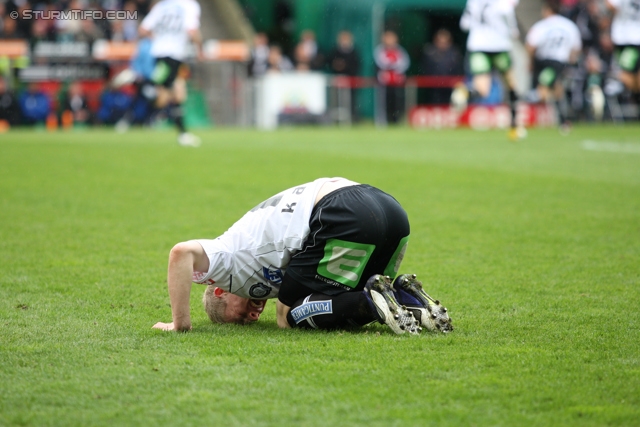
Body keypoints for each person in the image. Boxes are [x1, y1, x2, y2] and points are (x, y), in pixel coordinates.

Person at [152, 177, 453, 335]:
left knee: (287, 316)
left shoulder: (226, 261)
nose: (252, 316)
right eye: (249, 322)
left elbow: (181, 253)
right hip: (391, 209)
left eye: (240, 316)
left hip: (344, 211)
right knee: (337, 296)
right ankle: (409, 299)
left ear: (219, 289)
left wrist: (179, 324)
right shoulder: (256, 271)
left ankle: (370, 303)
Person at [452, 0, 525, 140]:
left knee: (482, 90)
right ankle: (515, 126)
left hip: (477, 46)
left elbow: (465, 24)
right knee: (511, 85)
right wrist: (512, 31)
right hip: (499, 46)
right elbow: (510, 20)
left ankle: (464, 91)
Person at [138, 0, 203, 147]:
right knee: (167, 93)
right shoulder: (190, 5)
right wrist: (200, 48)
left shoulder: (161, 6)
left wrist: (158, 39)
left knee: (175, 93)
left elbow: (142, 29)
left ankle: (178, 131)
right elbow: (192, 30)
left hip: (161, 53)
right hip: (173, 55)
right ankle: (142, 117)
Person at [526, 0, 582, 134]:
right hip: (560, 62)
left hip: (545, 61)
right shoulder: (569, 25)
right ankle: (564, 121)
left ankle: (531, 117)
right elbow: (576, 48)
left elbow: (530, 45)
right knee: (557, 90)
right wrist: (570, 59)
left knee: (542, 91)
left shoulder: (541, 25)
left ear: (547, 10)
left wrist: (530, 61)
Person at [606, 0, 640, 119]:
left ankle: (634, 101)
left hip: (626, 39)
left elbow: (611, 6)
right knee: (635, 76)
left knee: (625, 74)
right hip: (635, 38)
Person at [374, 30, 410, 125]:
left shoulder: (400, 51)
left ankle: (396, 120)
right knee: (383, 102)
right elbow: (380, 63)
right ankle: (383, 121)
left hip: (397, 82)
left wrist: (395, 69)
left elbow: (404, 64)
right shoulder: (380, 50)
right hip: (384, 83)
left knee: (397, 102)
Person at [421, 28, 463, 105]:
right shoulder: (429, 52)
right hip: (433, 88)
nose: (442, 44)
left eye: (445, 42)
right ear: (436, 41)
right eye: (440, 41)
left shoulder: (454, 53)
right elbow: (426, 70)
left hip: (450, 87)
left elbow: (458, 70)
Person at [327, 30, 361, 122]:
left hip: (350, 80)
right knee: (335, 100)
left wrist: (345, 67)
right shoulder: (335, 50)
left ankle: (352, 117)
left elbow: (356, 65)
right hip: (338, 79)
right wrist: (337, 66)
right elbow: (330, 62)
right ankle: (335, 118)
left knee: (351, 100)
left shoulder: (354, 51)